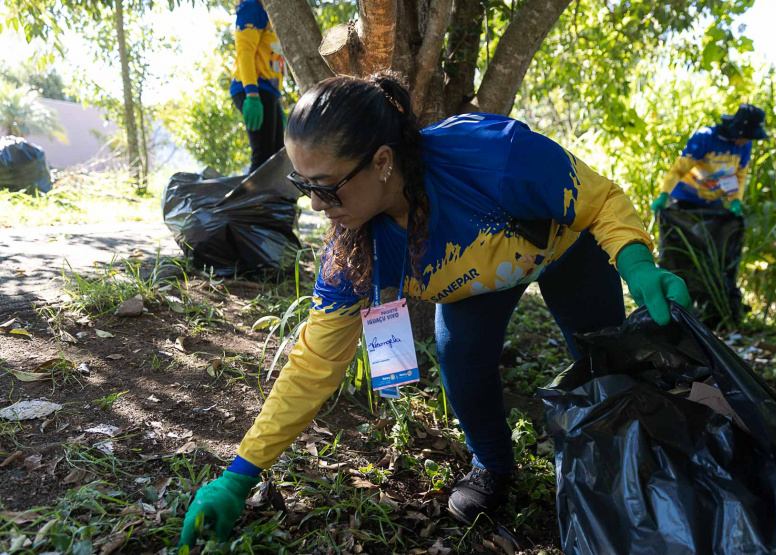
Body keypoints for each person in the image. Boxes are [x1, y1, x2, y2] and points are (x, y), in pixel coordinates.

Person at [179, 73, 690, 547]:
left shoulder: (492, 157)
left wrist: (639, 266)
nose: (315, 205)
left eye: (325, 186)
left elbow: (598, 201)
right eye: (302, 185)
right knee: (461, 362)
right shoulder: (355, 250)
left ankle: (634, 462)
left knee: (605, 364)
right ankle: (491, 464)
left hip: (565, 252)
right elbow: (314, 364)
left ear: (382, 162)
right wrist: (239, 475)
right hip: (477, 287)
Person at [651, 104, 768, 215]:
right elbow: (679, 170)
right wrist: (664, 195)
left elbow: (739, 176)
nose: (746, 142)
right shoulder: (705, 138)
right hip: (684, 199)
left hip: (712, 202)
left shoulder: (744, 146)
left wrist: (735, 200)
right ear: (738, 131)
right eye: (746, 137)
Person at [230, 0, 286, 174]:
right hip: (253, 88)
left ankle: (274, 201)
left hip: (268, 91)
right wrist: (252, 96)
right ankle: (248, 200)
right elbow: (245, 53)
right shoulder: (252, 6)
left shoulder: (271, 12)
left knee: (277, 155)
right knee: (263, 158)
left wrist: (277, 102)